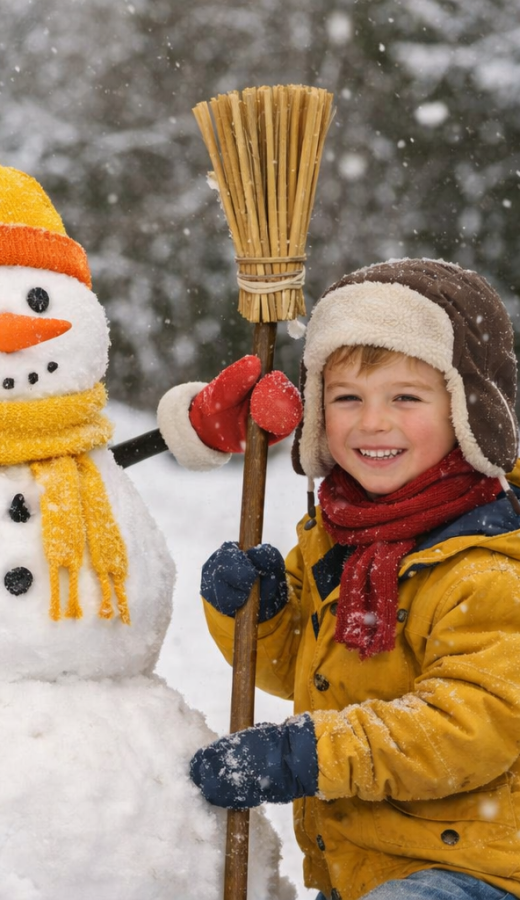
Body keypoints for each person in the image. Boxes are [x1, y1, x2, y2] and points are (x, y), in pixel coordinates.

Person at [188, 259, 520, 900]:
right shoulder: (337, 537)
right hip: (361, 869)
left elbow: (464, 729)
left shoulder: (487, 566)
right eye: (347, 397)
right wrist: (258, 615)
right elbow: (300, 670)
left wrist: (308, 754)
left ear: (468, 412)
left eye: (407, 397)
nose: (373, 422)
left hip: (476, 874)